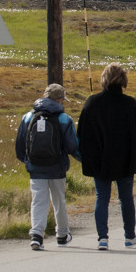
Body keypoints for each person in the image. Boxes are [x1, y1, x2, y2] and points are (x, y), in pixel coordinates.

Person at [78, 63, 136, 250]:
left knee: (101, 197)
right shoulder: (129, 103)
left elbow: (82, 134)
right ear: (123, 80)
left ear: (104, 79)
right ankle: (129, 236)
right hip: (125, 158)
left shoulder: (92, 102)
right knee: (126, 198)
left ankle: (102, 238)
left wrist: (85, 157)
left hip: (100, 159)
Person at [14, 83, 81, 250]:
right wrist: (86, 160)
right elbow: (73, 146)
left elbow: (20, 145)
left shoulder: (28, 117)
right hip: (57, 167)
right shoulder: (65, 119)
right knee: (59, 200)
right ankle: (62, 235)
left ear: (44, 96)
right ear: (59, 100)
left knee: (38, 200)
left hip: (35, 166)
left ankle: (37, 235)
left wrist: (28, 161)